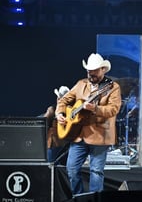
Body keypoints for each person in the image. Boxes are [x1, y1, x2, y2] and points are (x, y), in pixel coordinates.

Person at [55, 53, 122, 195]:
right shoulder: (81, 84)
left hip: (100, 135)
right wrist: (60, 113)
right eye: (88, 71)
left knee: (96, 171)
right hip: (79, 135)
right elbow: (63, 101)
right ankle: (79, 197)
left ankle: (94, 199)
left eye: (95, 71)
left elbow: (113, 109)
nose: (91, 74)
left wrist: (95, 109)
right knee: (71, 169)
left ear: (103, 69)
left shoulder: (112, 87)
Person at [39, 86, 70, 164]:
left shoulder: (69, 110)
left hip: (65, 145)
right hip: (54, 144)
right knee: (52, 165)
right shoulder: (52, 110)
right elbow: (43, 124)